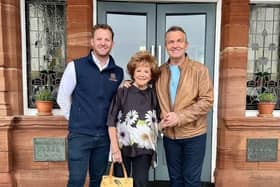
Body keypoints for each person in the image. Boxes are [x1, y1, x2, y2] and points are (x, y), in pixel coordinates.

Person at [57, 24, 123, 187]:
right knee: (76, 181)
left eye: (107, 39)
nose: (103, 43)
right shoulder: (76, 67)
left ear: (112, 43)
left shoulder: (118, 72)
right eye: (99, 39)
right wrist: (76, 118)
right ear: (92, 42)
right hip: (80, 135)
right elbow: (62, 97)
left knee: (98, 181)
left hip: (104, 137)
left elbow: (118, 103)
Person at [156, 26, 214, 187]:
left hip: (194, 135)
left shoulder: (199, 70)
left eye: (179, 41)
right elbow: (144, 89)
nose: (175, 45)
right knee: (175, 180)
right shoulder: (159, 72)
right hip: (170, 136)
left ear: (186, 44)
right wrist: (127, 84)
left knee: (191, 181)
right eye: (171, 42)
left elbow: (207, 100)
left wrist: (179, 117)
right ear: (166, 46)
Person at [106, 51, 160, 187]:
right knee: (120, 183)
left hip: (144, 147)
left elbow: (157, 121)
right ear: (133, 72)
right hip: (122, 146)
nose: (142, 74)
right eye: (139, 70)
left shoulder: (153, 94)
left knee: (140, 182)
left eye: (146, 71)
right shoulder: (122, 91)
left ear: (151, 75)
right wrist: (115, 149)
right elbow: (111, 121)